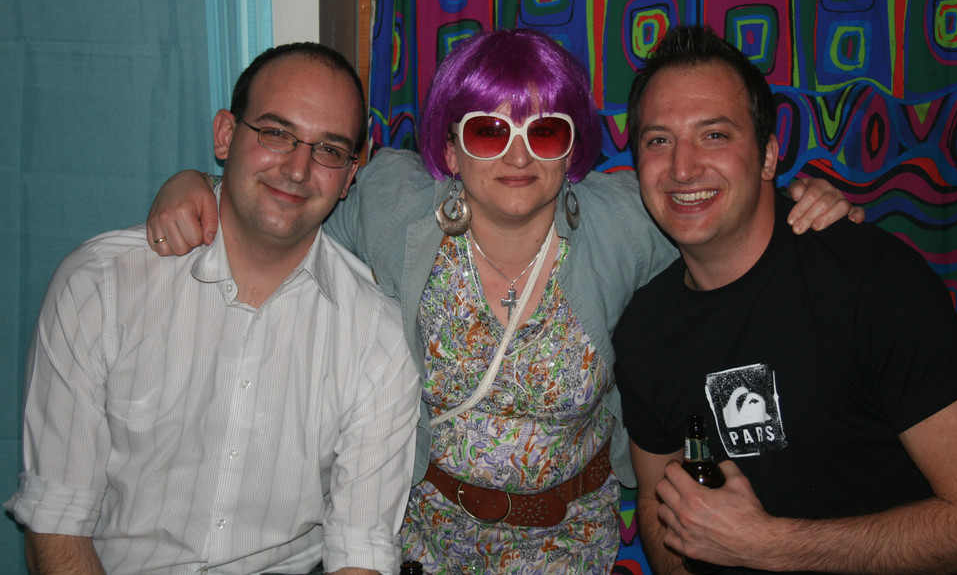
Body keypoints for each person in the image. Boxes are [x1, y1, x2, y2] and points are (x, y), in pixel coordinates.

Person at [143, 29, 861, 574]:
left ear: (570, 150)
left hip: (570, 543)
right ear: (452, 148)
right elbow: (291, 196)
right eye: (489, 129)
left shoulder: (620, 221)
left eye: (544, 130)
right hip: (423, 537)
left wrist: (802, 200)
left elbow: (714, 208)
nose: (518, 155)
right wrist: (200, 185)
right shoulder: (394, 204)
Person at [614, 24, 957, 574]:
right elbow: (655, 499)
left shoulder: (874, 283)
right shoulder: (643, 332)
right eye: (658, 140)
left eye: (714, 135)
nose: (682, 168)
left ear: (768, 156)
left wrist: (765, 544)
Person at [5, 43, 421, 575]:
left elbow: (360, 549)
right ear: (226, 135)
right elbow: (58, 520)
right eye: (276, 134)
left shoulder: (376, 337)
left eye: (328, 149)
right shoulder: (100, 287)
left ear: (348, 176)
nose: (298, 168)